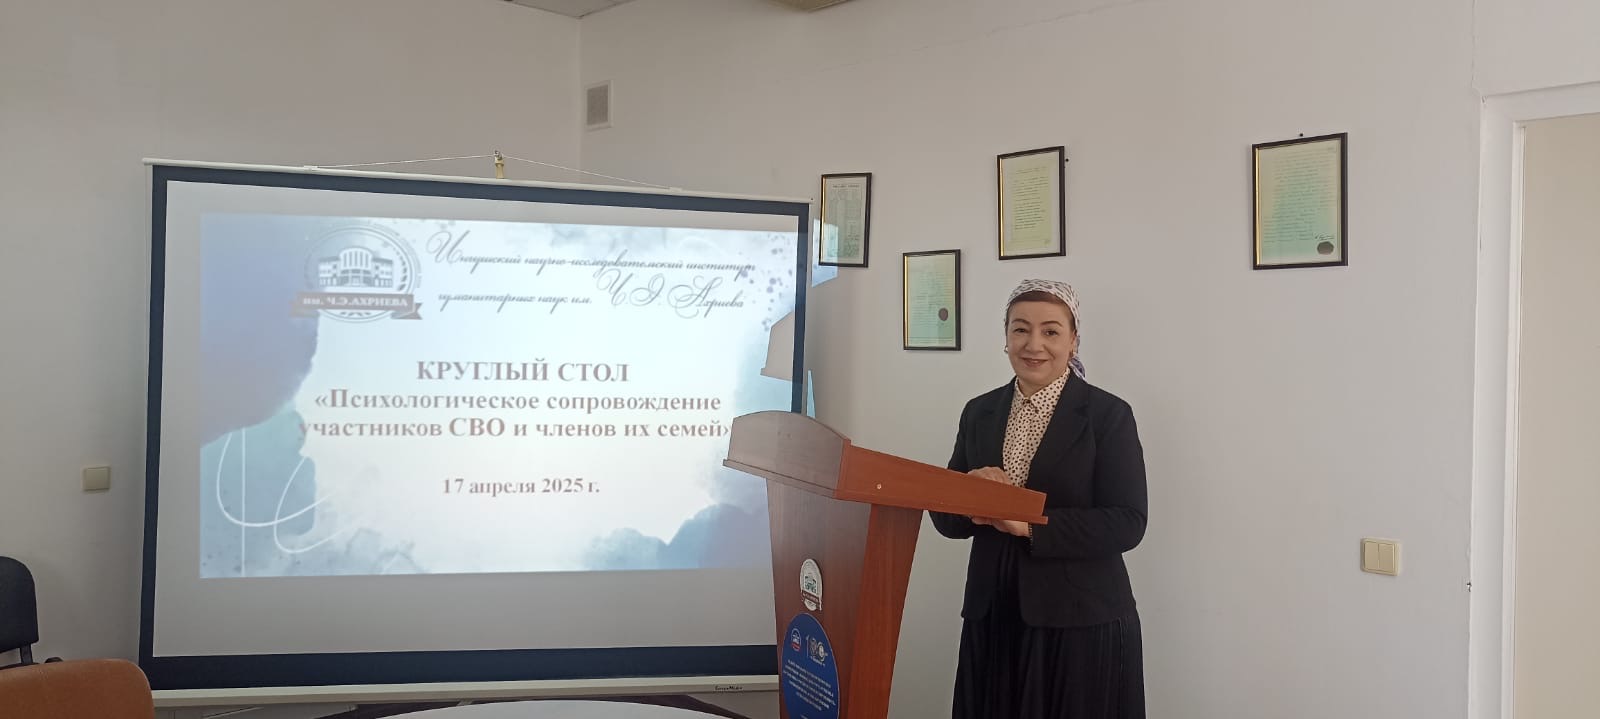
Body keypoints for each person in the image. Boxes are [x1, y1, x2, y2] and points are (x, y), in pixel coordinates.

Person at [931, 278, 1148, 719]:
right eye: (1020, 329)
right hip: (994, 615)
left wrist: (1030, 524)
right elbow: (946, 518)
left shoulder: (1108, 415)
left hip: (1078, 619)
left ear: (1073, 341)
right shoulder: (979, 411)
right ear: (1005, 337)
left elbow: (1128, 521)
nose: (1034, 345)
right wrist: (970, 492)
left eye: (1051, 331)